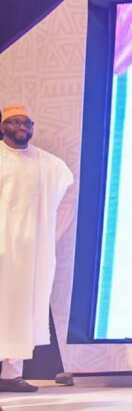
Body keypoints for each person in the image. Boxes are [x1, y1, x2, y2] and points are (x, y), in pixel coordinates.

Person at [0, 105, 74, 393]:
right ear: (3, 126)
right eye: (15, 122)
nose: (22, 127)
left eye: (27, 123)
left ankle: (11, 374)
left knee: (20, 309)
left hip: (27, 254)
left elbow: (65, 181)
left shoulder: (44, 162)